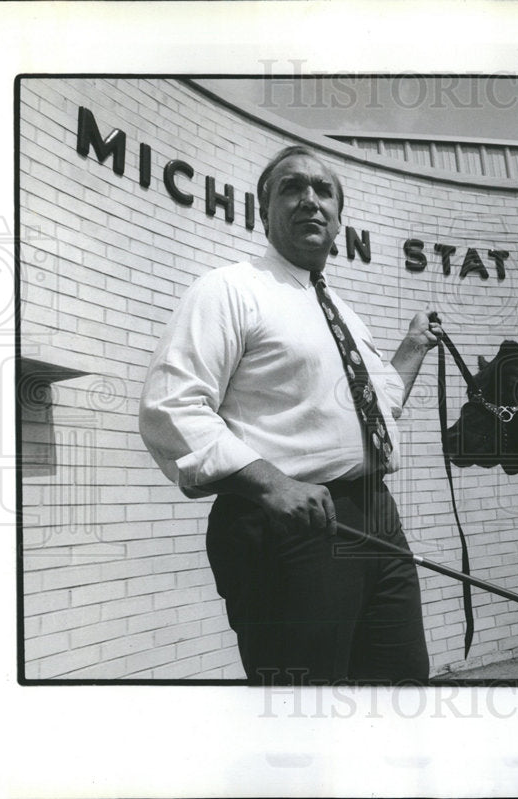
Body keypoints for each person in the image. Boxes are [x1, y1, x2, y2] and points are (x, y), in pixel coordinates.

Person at [139, 144, 441, 684]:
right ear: (265, 210)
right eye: (292, 187)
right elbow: (171, 407)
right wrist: (272, 484)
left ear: (338, 218)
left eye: (323, 190)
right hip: (287, 523)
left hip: (376, 518)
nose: (310, 200)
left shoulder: (342, 312)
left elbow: (374, 407)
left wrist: (413, 347)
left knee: (402, 688)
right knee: (305, 708)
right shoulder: (229, 289)